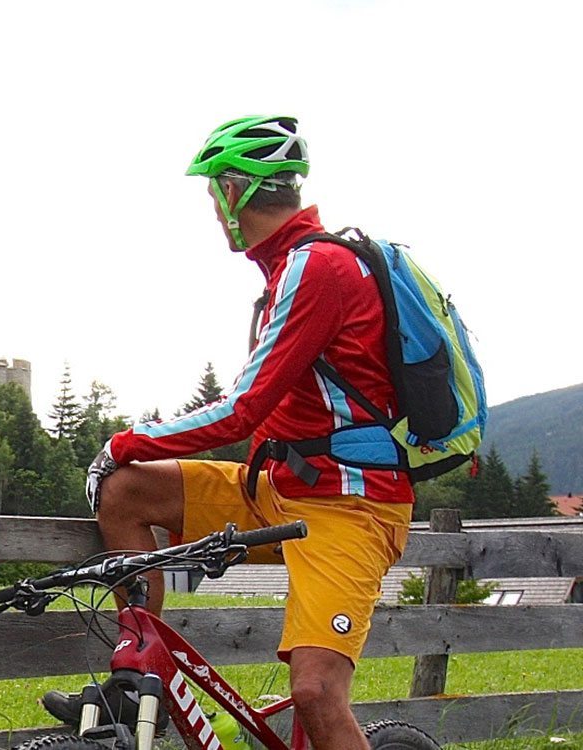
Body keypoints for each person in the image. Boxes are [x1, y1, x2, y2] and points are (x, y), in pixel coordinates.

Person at [81, 115, 413, 750]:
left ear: (235, 192)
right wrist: (126, 465)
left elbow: (240, 412)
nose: (213, 210)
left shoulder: (316, 269)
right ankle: (134, 681)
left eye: (213, 195)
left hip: (350, 503)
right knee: (126, 492)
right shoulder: (286, 268)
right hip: (278, 486)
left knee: (315, 691)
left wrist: (122, 441)